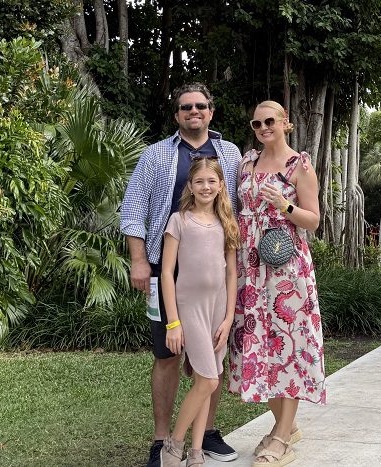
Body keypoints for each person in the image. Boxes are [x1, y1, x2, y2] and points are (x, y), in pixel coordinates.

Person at [120, 83, 241, 466]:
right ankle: (162, 440)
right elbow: (133, 208)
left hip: (214, 276)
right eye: (186, 107)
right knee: (167, 355)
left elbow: (240, 205)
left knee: (213, 360)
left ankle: (206, 434)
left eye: (200, 105)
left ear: (211, 111)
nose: (194, 111)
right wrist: (139, 260)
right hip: (166, 271)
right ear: (177, 115)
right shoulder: (156, 155)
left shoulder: (230, 154)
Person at [228, 100, 326, 467]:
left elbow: (313, 220)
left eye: (270, 120)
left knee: (290, 346)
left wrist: (284, 205)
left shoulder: (300, 166)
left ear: (286, 123)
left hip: (286, 269)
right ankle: (287, 424)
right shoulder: (246, 164)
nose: (264, 127)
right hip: (249, 268)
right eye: (257, 123)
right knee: (255, 345)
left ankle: (281, 437)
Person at [156, 158, 239, 467]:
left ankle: (196, 452)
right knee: (208, 381)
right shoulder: (179, 220)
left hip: (218, 309)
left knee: (206, 381)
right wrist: (173, 323)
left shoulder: (227, 222)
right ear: (190, 186)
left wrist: (228, 319)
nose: (206, 187)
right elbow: (167, 273)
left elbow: (231, 273)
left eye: (211, 181)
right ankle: (173, 445)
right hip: (190, 308)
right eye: (200, 181)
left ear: (221, 185)